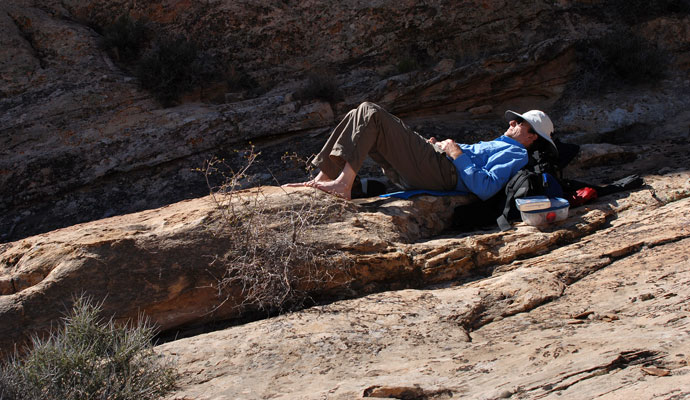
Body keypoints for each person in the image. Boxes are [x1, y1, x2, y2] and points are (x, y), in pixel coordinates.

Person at [285, 102, 556, 200]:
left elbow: (485, 188)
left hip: (444, 174)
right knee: (359, 114)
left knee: (371, 112)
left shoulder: (517, 154)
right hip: (437, 166)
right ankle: (323, 178)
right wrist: (438, 147)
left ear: (532, 137)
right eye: (515, 119)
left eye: (520, 122)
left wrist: (457, 155)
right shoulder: (501, 144)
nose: (512, 122)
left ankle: (344, 184)